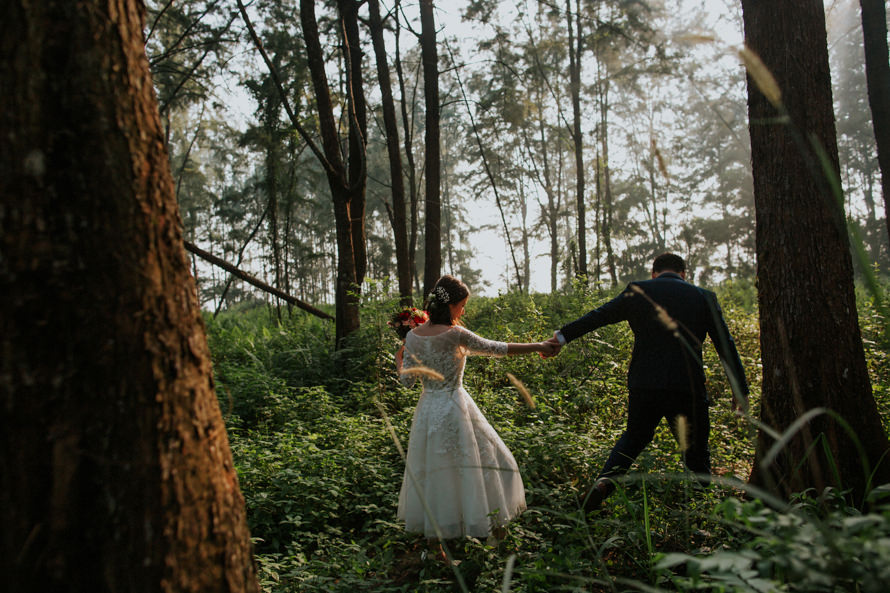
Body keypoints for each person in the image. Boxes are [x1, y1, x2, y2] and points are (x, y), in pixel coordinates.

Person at [545, 253, 748, 512]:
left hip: (644, 384)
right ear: (684, 273)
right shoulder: (703, 296)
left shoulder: (638, 291)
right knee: (696, 450)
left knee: (634, 438)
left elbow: (599, 316)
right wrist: (740, 389)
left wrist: (562, 337)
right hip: (687, 386)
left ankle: (604, 484)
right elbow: (725, 346)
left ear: (654, 273)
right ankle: (701, 512)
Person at [395, 275, 556, 543]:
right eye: (462, 305)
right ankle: (489, 532)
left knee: (437, 474)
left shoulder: (412, 337)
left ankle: (441, 545)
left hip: (428, 412)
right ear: (450, 305)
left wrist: (399, 361)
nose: (463, 311)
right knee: (491, 463)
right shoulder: (456, 334)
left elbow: (407, 382)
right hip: (456, 408)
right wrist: (539, 346)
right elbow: (497, 348)